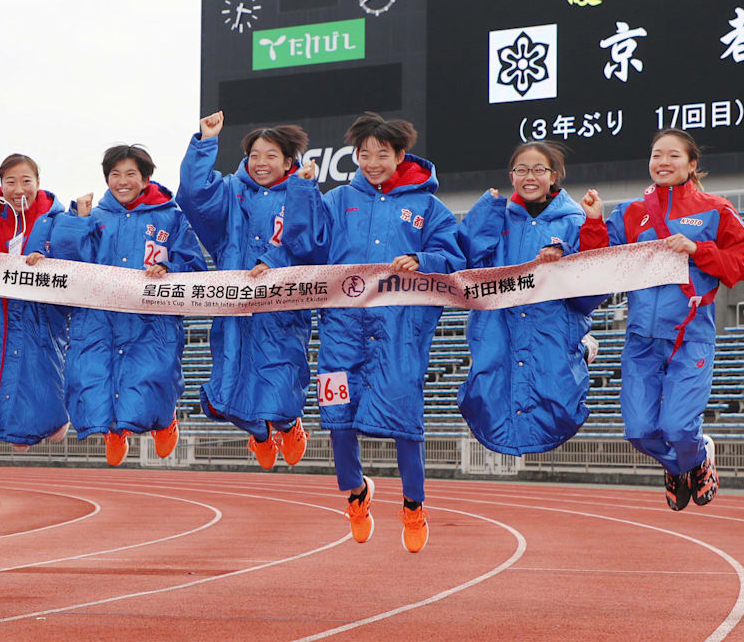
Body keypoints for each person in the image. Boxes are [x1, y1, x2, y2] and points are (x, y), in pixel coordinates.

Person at [281, 112, 463, 552]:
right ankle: (355, 492)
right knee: (336, 416)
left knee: (404, 420)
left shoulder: (427, 207)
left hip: (400, 330)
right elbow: (308, 246)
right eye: (364, 154)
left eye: (382, 154)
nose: (373, 161)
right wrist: (303, 190)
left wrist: (424, 259)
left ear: (400, 155)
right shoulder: (340, 199)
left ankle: (414, 505)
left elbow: (454, 255)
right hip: (341, 326)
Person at [580, 128, 744, 510]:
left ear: (692, 165)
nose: (663, 162)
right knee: (639, 432)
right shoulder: (631, 212)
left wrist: (698, 248)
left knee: (677, 427)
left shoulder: (717, 210)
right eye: (657, 155)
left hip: (690, 337)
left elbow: (738, 267)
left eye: (674, 156)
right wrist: (593, 221)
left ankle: (694, 455)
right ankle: (686, 465)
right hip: (641, 339)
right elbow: (598, 264)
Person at [49, 144, 206, 466]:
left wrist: (169, 269)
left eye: (131, 174)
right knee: (92, 378)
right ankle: (113, 431)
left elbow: (193, 264)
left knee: (152, 377)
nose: (122, 181)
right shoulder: (92, 217)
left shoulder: (171, 217)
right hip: (97, 319)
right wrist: (77, 221)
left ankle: (165, 421)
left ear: (146, 178)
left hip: (150, 321)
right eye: (115, 174)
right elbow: (65, 261)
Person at [175, 110, 313, 469]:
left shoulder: (301, 192)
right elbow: (193, 195)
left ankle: (287, 426)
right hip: (233, 311)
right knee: (226, 393)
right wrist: (206, 142)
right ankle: (261, 435)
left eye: (271, 156)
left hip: (281, 315)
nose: (261, 163)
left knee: (281, 389)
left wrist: (275, 261)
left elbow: (309, 241)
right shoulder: (231, 192)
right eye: (254, 156)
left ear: (288, 161)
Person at [456, 142, 596, 456]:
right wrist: (483, 212)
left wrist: (566, 255)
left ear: (554, 176)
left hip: (550, 326)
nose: (529, 176)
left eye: (538, 169)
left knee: (556, 397)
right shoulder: (498, 216)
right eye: (521, 169)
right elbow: (470, 263)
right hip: (498, 327)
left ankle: (582, 347)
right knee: (486, 392)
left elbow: (590, 288)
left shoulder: (573, 221)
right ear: (511, 175)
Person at [0, 153, 71, 450]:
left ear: (38, 182)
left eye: (26, 181)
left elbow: (73, 257)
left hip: (43, 315)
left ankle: (51, 420)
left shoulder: (58, 220)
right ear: (0, 185)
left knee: (44, 369)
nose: (19, 189)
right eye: (11, 181)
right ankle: (12, 429)